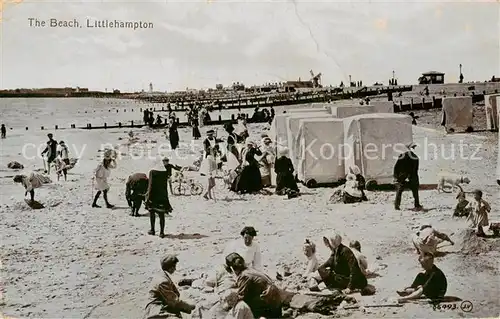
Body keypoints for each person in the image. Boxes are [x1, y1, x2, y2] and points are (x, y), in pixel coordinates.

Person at [225, 253, 282, 319]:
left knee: (240, 303)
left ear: (231, 268)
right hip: (276, 305)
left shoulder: (244, 275)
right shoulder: (250, 270)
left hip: (270, 309)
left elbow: (241, 296)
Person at [145, 158, 174, 238]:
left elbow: (150, 186)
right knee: (161, 215)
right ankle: (162, 232)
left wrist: (148, 197)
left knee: (152, 213)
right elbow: (165, 185)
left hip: (154, 195)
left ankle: (153, 230)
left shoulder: (152, 172)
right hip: (162, 195)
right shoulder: (164, 172)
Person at [393, 142, 423, 211]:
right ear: (409, 148)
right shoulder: (403, 156)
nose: (414, 149)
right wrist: (396, 177)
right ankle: (396, 205)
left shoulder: (415, 157)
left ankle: (417, 204)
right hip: (403, 178)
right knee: (400, 191)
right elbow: (396, 167)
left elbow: (415, 169)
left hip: (411, 177)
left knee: (415, 190)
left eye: (414, 147)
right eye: (413, 147)